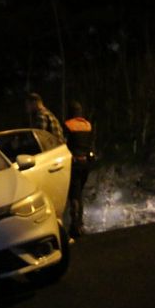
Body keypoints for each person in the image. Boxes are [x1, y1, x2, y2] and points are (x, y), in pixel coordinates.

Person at [64, 100, 94, 238]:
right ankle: (80, 223)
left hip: (74, 163)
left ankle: (75, 225)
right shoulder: (87, 125)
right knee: (79, 193)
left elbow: (63, 144)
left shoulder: (67, 125)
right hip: (86, 163)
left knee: (74, 195)